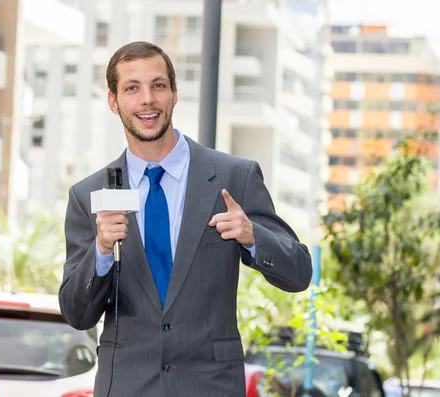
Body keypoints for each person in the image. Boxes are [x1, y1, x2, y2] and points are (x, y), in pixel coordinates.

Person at [58, 41, 312, 397]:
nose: (147, 99)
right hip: (127, 387)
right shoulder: (88, 196)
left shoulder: (233, 178)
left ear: (174, 94)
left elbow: (299, 272)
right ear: (113, 101)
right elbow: (77, 314)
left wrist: (253, 236)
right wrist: (100, 250)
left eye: (158, 86)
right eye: (132, 88)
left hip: (210, 386)